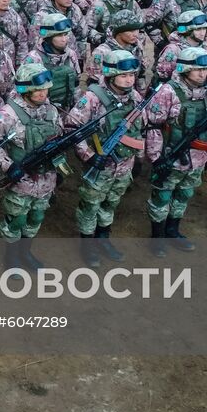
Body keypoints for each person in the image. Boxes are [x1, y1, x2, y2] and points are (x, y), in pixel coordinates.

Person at [68, 50, 146, 266]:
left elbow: (139, 130)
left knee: (111, 203)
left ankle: (103, 238)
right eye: (124, 75)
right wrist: (88, 156)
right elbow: (73, 129)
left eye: (132, 75)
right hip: (100, 165)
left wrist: (139, 157)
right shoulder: (93, 98)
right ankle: (88, 245)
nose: (129, 79)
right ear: (111, 76)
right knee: (91, 205)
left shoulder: (135, 97)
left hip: (124, 164)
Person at [0, 63, 65, 271]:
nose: (42, 93)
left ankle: (25, 252)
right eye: (37, 89)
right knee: (16, 221)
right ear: (24, 89)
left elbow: (59, 139)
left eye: (45, 89)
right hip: (21, 179)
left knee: (36, 216)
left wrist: (61, 166)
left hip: (46, 178)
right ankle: (12, 259)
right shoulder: (7, 114)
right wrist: (8, 167)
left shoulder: (51, 111)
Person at [143, 47, 207, 255]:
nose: (202, 73)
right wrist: (155, 158)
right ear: (185, 69)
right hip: (171, 157)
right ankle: (157, 236)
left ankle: (173, 229)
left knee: (184, 194)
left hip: (198, 156)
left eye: (205, 69)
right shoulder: (168, 92)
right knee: (162, 196)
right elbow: (153, 126)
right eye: (197, 70)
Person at [25, 12, 84, 112]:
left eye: (65, 34)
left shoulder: (71, 55)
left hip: (68, 110)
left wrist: (77, 112)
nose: (64, 39)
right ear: (49, 37)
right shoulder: (34, 58)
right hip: (43, 112)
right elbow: (26, 94)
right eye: (59, 35)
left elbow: (76, 85)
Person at [88, 11, 150, 94]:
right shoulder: (101, 52)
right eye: (130, 31)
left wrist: (141, 94)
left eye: (137, 30)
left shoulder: (137, 46)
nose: (135, 34)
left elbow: (139, 75)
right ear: (119, 32)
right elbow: (95, 83)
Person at [154, 9, 207, 83]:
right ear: (187, 30)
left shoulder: (205, 47)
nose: (202, 33)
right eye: (198, 29)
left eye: (204, 28)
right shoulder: (173, 50)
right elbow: (163, 77)